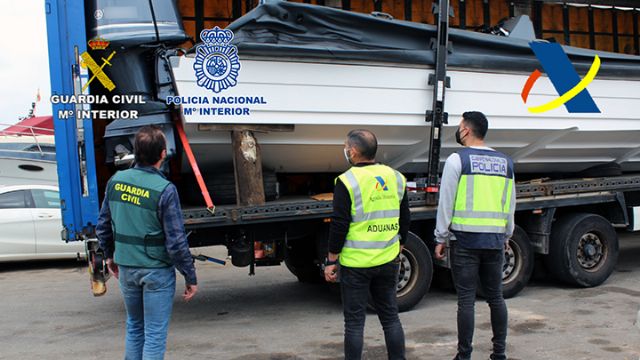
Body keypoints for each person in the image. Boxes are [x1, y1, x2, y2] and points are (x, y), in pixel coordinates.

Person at [96, 125, 198, 360]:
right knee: (154, 334)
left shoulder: (116, 181)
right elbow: (176, 241)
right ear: (163, 154)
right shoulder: (165, 189)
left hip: (127, 268)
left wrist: (110, 256)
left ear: (136, 152)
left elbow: (103, 226)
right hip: (156, 271)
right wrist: (190, 276)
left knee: (135, 327)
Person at [434, 111, 516, 360]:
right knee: (496, 297)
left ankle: (464, 355)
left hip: (465, 241)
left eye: (460, 126)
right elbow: (510, 203)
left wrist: (440, 236)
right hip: (494, 240)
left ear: (467, 130)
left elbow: (445, 201)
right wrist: (507, 235)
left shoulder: (458, 160)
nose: (459, 130)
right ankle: (499, 353)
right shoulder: (506, 162)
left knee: (466, 301)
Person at [324, 129, 410, 360]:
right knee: (390, 317)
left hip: (356, 264)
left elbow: (339, 225)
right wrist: (400, 245)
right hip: (388, 259)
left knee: (354, 324)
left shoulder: (347, 181)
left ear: (352, 151)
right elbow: (405, 216)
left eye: (345, 147)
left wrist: (332, 260)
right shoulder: (396, 177)